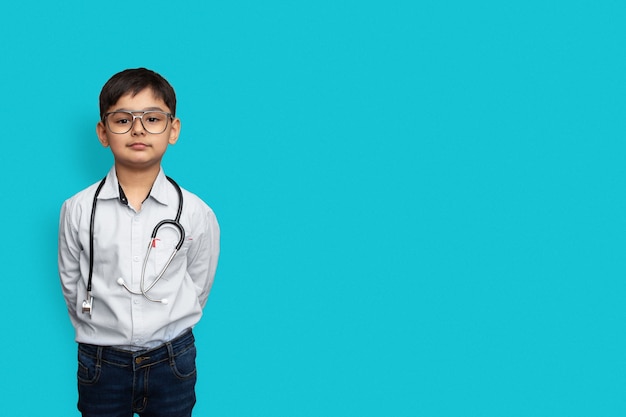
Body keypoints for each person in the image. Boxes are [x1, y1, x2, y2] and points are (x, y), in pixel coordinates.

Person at [58, 68, 220, 417]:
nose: (138, 129)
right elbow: (73, 284)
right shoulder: (77, 209)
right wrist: (97, 326)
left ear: (173, 129)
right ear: (103, 132)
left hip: (172, 360)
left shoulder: (195, 211)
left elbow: (198, 283)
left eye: (152, 118)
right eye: (122, 119)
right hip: (101, 362)